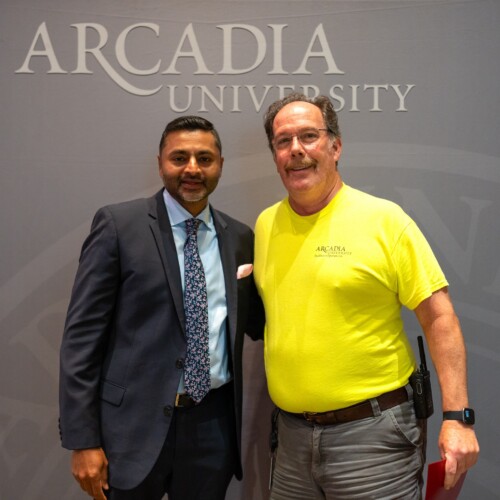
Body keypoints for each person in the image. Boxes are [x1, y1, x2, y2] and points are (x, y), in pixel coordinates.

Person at [253, 93, 479, 499]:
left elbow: (439, 316)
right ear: (274, 154)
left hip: (372, 440)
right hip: (290, 440)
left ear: (336, 146)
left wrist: (457, 418)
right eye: (283, 141)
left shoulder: (385, 220)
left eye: (309, 136)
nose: (296, 150)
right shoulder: (267, 225)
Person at [59, 115, 265, 500]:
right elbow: (81, 340)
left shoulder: (240, 236)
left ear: (220, 165)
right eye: (179, 157)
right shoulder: (120, 225)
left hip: (212, 428)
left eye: (204, 158)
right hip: (131, 430)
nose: (192, 168)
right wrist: (82, 439)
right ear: (160, 163)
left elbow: (258, 322)